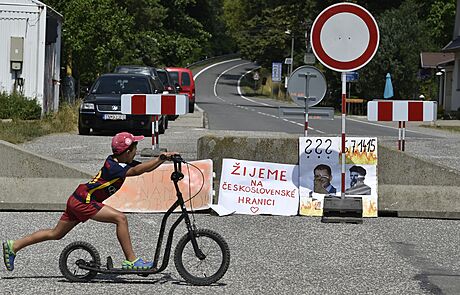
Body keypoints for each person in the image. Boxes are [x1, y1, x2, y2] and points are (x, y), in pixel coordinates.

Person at [3, 132, 178, 272]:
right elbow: (139, 170)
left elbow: (142, 167)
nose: (136, 151)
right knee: (120, 218)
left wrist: (165, 158)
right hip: (84, 201)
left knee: (55, 234)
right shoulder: (116, 168)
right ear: (127, 151)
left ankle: (14, 246)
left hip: (77, 198)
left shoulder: (117, 161)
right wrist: (160, 159)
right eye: (135, 148)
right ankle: (132, 260)